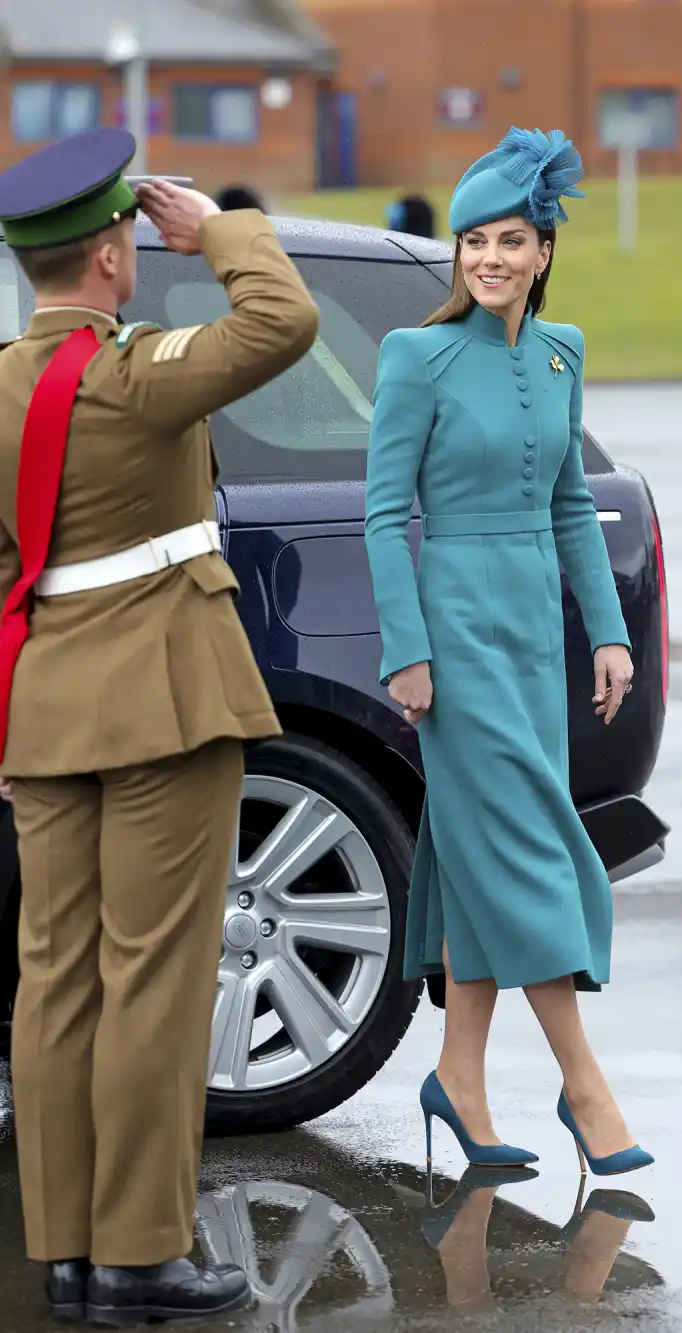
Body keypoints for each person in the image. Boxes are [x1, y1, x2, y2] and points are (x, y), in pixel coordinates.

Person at [0, 128, 319, 1321]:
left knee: (54, 984)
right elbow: (280, 322)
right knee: (153, 979)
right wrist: (224, 230)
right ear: (114, 257)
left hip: (45, 710)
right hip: (160, 703)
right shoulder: (131, 373)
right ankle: (139, 1251)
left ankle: (69, 1248)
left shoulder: (3, 380)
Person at [364, 127, 654, 1177]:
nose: (490, 257)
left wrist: (609, 633)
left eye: (512, 240)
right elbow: (382, 511)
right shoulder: (416, 355)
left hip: (535, 630)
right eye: (474, 239)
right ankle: (588, 1087)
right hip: (455, 630)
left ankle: (461, 1078)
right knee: (531, 849)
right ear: (457, 252)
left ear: (542, 253)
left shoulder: (563, 349)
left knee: (478, 850)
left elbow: (574, 502)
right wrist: (407, 649)